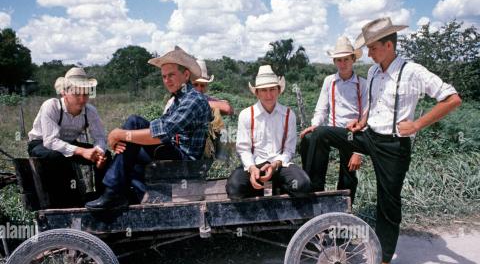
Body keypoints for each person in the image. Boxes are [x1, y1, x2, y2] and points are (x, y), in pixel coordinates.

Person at [309, 17, 461, 264]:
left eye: (372, 47)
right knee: (319, 133)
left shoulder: (412, 71)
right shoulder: (374, 72)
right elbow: (374, 104)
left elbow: (452, 98)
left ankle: (384, 259)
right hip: (368, 136)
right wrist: (361, 121)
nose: (368, 53)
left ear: (389, 45)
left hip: (393, 146)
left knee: (387, 203)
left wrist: (417, 124)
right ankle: (314, 195)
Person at [85, 46, 213, 211]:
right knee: (127, 149)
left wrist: (121, 134)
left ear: (186, 74)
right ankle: (127, 194)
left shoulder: (192, 99)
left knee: (134, 123)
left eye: (172, 75)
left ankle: (113, 192)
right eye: (164, 76)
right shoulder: (179, 98)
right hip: (175, 152)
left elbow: (163, 132)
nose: (167, 80)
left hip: (186, 162)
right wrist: (124, 138)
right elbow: (159, 126)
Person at [226, 65, 311, 199]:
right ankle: (258, 195)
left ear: (279, 91)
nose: (269, 95)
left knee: (301, 185)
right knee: (235, 188)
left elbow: (289, 150)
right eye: (264, 90)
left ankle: (280, 192)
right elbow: (243, 149)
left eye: (272, 89)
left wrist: (276, 164)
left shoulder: (289, 114)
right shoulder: (246, 115)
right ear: (257, 93)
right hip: (255, 164)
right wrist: (252, 168)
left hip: (279, 165)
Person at [299, 36, 367, 203]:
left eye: (346, 59)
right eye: (338, 60)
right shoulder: (329, 81)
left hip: (352, 134)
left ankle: (344, 208)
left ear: (353, 60)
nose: (342, 64)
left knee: (348, 176)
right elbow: (321, 108)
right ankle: (313, 191)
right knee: (309, 138)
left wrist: (359, 151)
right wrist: (314, 125)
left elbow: (367, 115)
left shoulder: (363, 84)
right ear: (334, 62)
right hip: (330, 132)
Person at [27, 67, 109, 205]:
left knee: (107, 156)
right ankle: (68, 200)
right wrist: (83, 151)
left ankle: (102, 198)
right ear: (64, 93)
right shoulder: (52, 106)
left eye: (86, 94)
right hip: (41, 144)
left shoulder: (90, 111)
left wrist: (99, 153)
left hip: (69, 144)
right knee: (58, 157)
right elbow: (51, 141)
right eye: (77, 94)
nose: (82, 99)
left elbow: (100, 137)